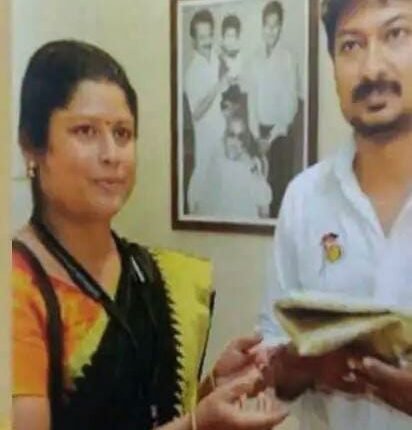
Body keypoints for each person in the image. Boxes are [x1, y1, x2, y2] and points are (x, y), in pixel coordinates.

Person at [12, 40, 289, 430]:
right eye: (86, 131)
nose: (112, 154)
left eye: (123, 133)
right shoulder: (17, 288)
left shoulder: (149, 274)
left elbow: (153, 417)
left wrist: (213, 389)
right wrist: (196, 425)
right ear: (32, 146)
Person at [258, 0, 412, 429]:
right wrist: (307, 364)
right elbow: (272, 362)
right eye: (350, 46)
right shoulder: (304, 198)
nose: (371, 69)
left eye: (396, 34)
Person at [248, 1, 301, 217]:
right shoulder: (254, 59)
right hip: (257, 134)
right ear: (262, 27)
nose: (271, 30)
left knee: (279, 194)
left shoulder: (287, 59)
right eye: (267, 25)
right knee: (257, 194)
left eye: (275, 25)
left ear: (280, 27)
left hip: (279, 137)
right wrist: (256, 137)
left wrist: (269, 140)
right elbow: (251, 101)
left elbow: (290, 107)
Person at [185, 9, 229, 214]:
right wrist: (217, 87)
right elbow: (196, 112)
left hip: (223, 131)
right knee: (203, 178)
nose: (207, 42)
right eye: (202, 37)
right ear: (194, 41)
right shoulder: (192, 72)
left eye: (210, 35)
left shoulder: (216, 59)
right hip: (205, 135)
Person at [194, 112, 272, 219]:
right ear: (225, 137)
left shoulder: (252, 164)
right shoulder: (216, 162)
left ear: (244, 142)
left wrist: (250, 166)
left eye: (240, 137)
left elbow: (264, 203)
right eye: (232, 135)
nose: (235, 141)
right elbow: (203, 206)